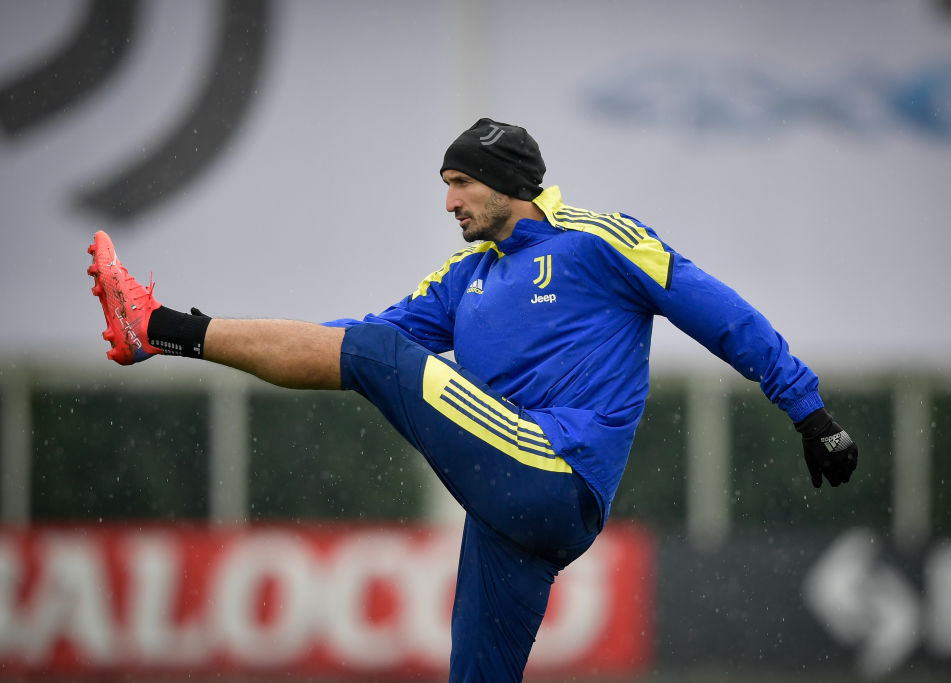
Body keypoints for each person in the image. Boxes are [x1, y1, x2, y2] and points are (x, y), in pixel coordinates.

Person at [87, 117, 858, 682]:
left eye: (459, 182)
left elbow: (721, 314)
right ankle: (158, 331)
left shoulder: (598, 239)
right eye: (446, 185)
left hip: (556, 472)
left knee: (379, 352)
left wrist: (809, 410)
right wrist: (208, 339)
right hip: (509, 516)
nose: (449, 201)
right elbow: (343, 348)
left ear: (508, 184)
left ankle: (152, 322)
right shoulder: (466, 280)